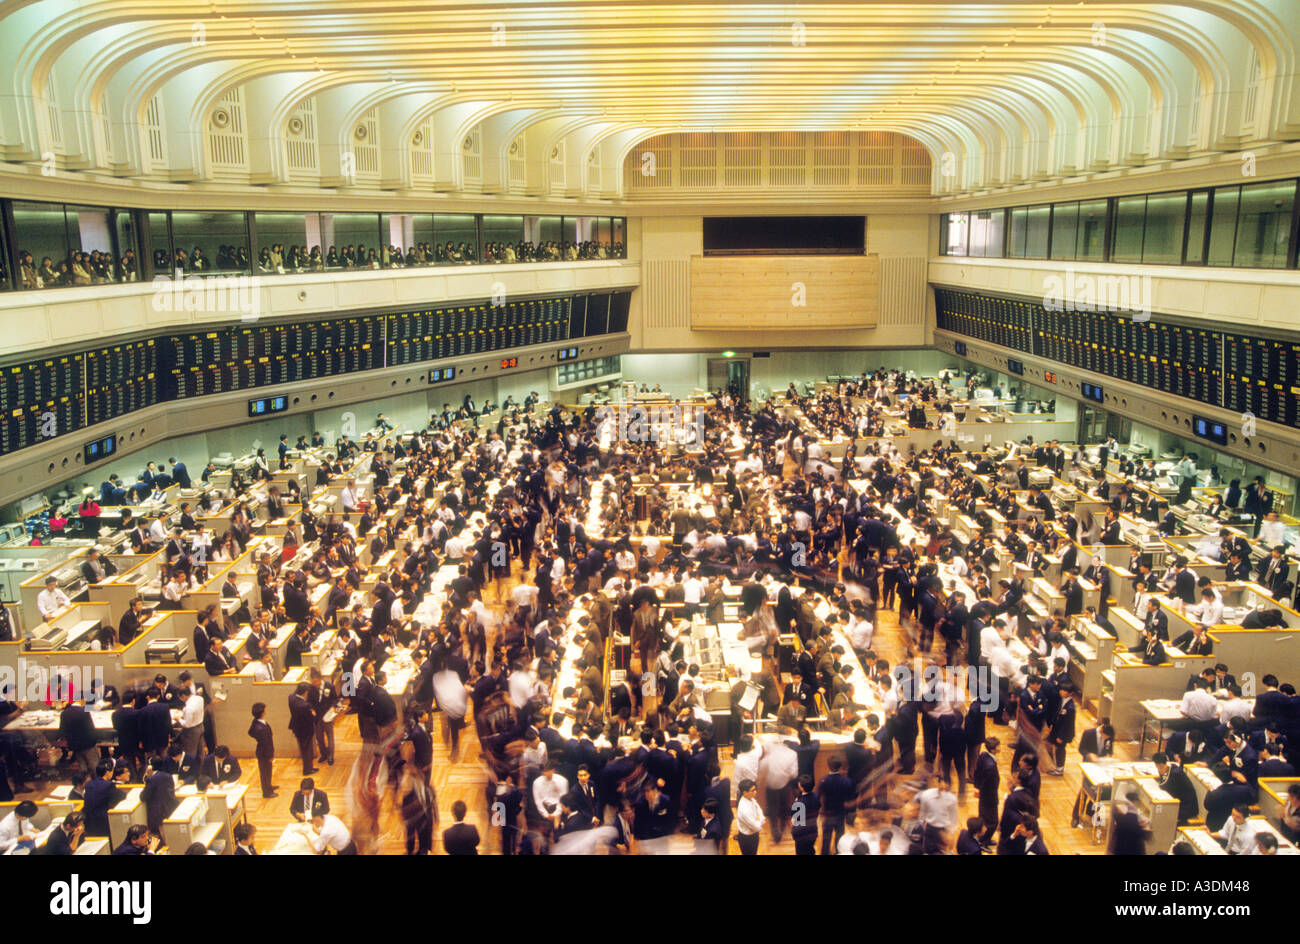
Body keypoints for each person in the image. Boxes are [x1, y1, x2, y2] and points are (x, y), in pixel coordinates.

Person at [248, 702, 276, 798]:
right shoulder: (260, 728)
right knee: (265, 772)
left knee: (268, 771)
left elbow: (250, 732)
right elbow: (266, 744)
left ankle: (269, 786)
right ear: (262, 712)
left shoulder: (256, 722)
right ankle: (266, 792)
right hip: (264, 753)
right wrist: (270, 756)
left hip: (262, 751)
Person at [735, 779, 765, 855]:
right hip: (748, 839)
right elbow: (756, 827)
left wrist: (759, 819)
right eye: (753, 790)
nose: (755, 792)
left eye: (755, 789)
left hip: (753, 836)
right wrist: (759, 821)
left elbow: (760, 811)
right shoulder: (744, 809)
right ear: (745, 793)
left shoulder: (751, 799)